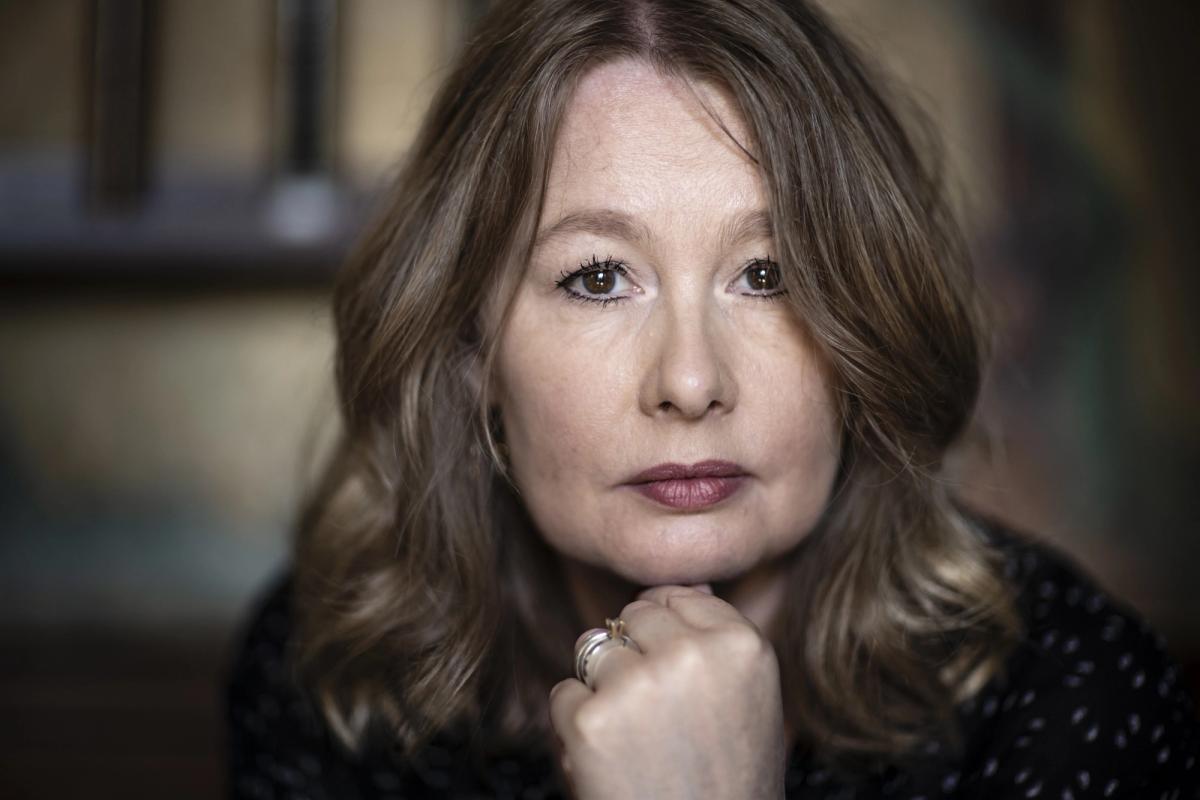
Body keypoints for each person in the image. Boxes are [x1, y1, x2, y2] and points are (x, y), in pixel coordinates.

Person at [225, 1, 1200, 797]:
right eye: (598, 277)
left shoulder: (1073, 696)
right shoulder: (332, 672)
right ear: (471, 344)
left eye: (769, 275)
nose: (691, 383)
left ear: (863, 325)